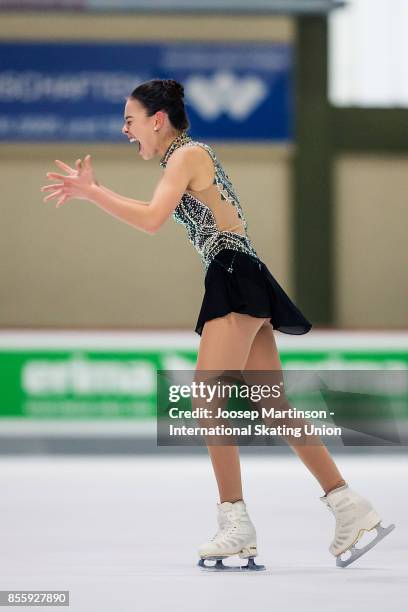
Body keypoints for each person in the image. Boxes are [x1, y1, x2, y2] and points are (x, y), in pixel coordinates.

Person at [41, 78, 394, 571]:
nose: (124, 129)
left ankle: (236, 525)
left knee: (207, 394)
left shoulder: (186, 154)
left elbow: (151, 220)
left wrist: (93, 192)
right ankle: (349, 507)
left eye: (130, 120)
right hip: (240, 269)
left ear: (157, 120)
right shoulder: (181, 158)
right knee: (273, 404)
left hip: (232, 270)